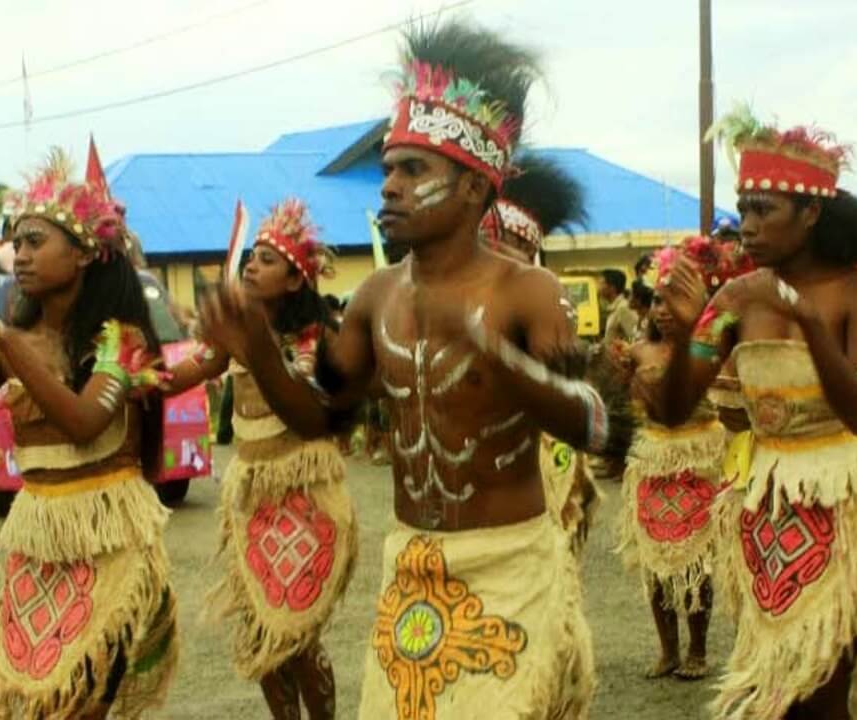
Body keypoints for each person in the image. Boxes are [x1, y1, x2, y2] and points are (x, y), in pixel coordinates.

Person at [201, 20, 598, 718]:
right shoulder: (375, 297)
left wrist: (495, 356)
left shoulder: (526, 293)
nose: (388, 185)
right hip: (412, 565)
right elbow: (325, 420)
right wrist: (258, 349)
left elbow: (597, 426)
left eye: (413, 169)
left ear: (475, 189)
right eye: (387, 167)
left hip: (509, 563)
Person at [656, 105, 857, 719]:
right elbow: (675, 407)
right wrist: (684, 335)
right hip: (768, 505)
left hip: (846, 500)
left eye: (764, 210)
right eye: (744, 207)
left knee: (824, 681)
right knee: (778, 683)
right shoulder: (734, 298)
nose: (747, 225)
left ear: (811, 213)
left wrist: (805, 318)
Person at [0, 151, 179, 719]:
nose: (18, 255)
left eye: (34, 242)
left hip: (110, 549)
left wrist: (3, 341)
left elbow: (82, 423)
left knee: (80, 707)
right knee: (29, 706)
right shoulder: (12, 340)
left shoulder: (120, 340)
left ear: (81, 255)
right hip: (39, 548)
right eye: (15, 242)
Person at [168, 199, 356, 720]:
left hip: (304, 496)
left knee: (295, 634)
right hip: (252, 496)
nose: (250, 265)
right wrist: (141, 380)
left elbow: (314, 402)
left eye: (267, 260)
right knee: (260, 632)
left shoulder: (316, 338)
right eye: (251, 257)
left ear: (296, 280)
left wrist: (256, 349)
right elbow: (188, 372)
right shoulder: (236, 335)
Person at [613, 238, 746, 681]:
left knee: (697, 563)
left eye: (674, 301)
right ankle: (667, 650)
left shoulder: (714, 350)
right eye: (657, 301)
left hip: (701, 460)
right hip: (653, 462)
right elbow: (629, 404)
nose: (664, 310)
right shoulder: (638, 352)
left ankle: (698, 650)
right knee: (656, 564)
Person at [480, 152, 600, 553]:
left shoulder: (545, 294)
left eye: (500, 244)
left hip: (538, 457)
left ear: (525, 248)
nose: (488, 253)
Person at [601, 268, 638, 344]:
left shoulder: (623, 308)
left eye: (602, 283)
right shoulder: (615, 308)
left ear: (612, 288)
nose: (599, 287)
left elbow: (635, 337)